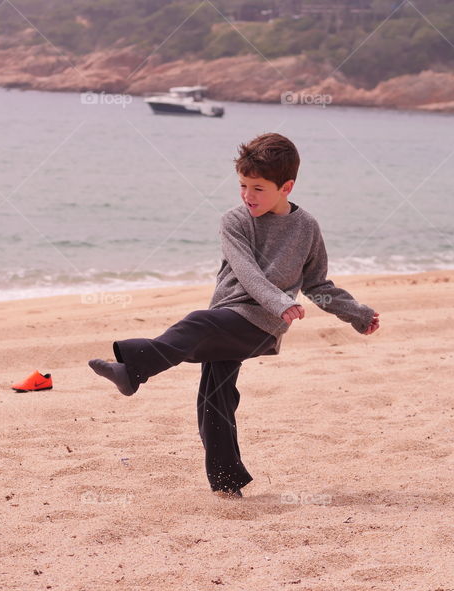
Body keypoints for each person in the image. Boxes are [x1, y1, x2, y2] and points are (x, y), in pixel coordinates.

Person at [88, 133, 380, 496]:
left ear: (286, 186)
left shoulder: (306, 228)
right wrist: (281, 300)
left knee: (196, 322)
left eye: (258, 188)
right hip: (226, 318)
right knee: (215, 396)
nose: (247, 195)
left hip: (261, 325)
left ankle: (133, 369)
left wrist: (357, 314)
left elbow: (318, 284)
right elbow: (245, 270)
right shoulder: (234, 221)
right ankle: (227, 483)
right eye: (243, 185)